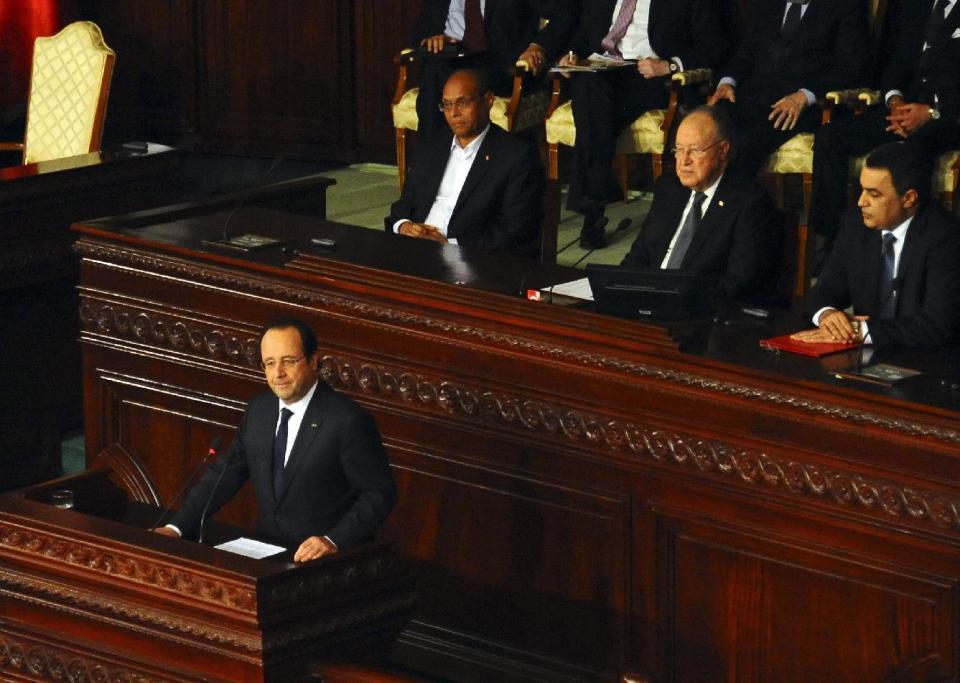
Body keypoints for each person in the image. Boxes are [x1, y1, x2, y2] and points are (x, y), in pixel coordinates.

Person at [155, 317, 396, 562]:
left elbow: (379, 493)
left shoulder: (347, 420)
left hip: (323, 562)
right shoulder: (260, 410)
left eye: (288, 361)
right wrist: (177, 528)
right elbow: (225, 475)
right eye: (269, 363)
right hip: (267, 555)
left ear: (313, 361)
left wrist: (333, 540)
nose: (278, 373)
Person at [558, 0, 728, 248]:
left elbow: (716, 45)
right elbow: (585, 34)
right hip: (605, 68)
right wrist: (571, 55)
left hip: (650, 77)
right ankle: (595, 200)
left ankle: (593, 209)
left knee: (593, 109)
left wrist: (670, 65)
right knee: (587, 87)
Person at [809, 0, 960, 247]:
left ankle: (907, 248)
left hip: (947, 118)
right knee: (831, 137)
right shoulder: (914, 6)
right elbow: (895, 60)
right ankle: (831, 243)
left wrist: (932, 112)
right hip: (901, 110)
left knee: (911, 149)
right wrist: (895, 100)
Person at [794, 142, 960, 350]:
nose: (861, 202)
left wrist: (861, 331)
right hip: (864, 354)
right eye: (862, 189)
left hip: (928, 360)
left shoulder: (946, 237)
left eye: (874, 194)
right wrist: (827, 315)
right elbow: (823, 291)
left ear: (909, 198)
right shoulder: (856, 224)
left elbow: (937, 325)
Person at [622, 106, 781, 304]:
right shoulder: (669, 188)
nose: (684, 161)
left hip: (701, 312)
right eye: (679, 150)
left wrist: (676, 300)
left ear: (723, 150)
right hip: (649, 304)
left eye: (695, 150)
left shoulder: (749, 203)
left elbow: (739, 282)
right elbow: (639, 255)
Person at [707, 0, 869, 179]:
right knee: (707, 128)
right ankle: (693, 201)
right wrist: (727, 82)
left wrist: (804, 96)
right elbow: (745, 56)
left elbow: (851, 68)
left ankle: (730, 204)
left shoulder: (845, 6)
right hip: (756, 96)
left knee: (746, 142)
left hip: (809, 104)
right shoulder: (766, 5)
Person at [385, 69, 544, 251]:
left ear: (488, 101)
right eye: (447, 104)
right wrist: (404, 226)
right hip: (415, 248)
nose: (453, 113)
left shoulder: (516, 155)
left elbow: (515, 230)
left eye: (462, 103)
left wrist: (449, 245)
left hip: (469, 258)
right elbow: (404, 202)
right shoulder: (432, 146)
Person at [412, 0, 576, 134]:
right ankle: (430, 164)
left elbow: (563, 13)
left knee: (444, 78)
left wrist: (537, 47)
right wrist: (434, 39)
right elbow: (423, 28)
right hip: (450, 59)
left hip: (501, 66)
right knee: (434, 71)